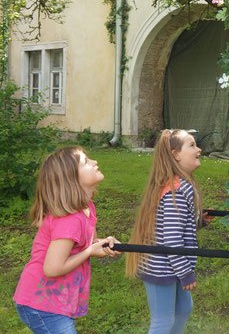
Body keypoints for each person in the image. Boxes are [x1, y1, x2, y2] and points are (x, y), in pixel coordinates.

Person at [13, 147, 120, 334]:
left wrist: (103, 243)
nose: (95, 162)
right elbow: (52, 268)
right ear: (71, 178)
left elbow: (87, 243)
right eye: (86, 162)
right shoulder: (69, 219)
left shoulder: (87, 208)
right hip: (42, 304)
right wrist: (89, 251)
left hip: (54, 302)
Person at [126, 129, 213, 334]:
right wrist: (186, 273)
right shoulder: (177, 191)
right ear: (176, 155)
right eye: (192, 145)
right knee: (163, 321)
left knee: (184, 309)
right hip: (161, 267)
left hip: (169, 264)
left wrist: (198, 223)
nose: (198, 149)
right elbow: (172, 240)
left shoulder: (179, 185)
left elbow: (172, 226)